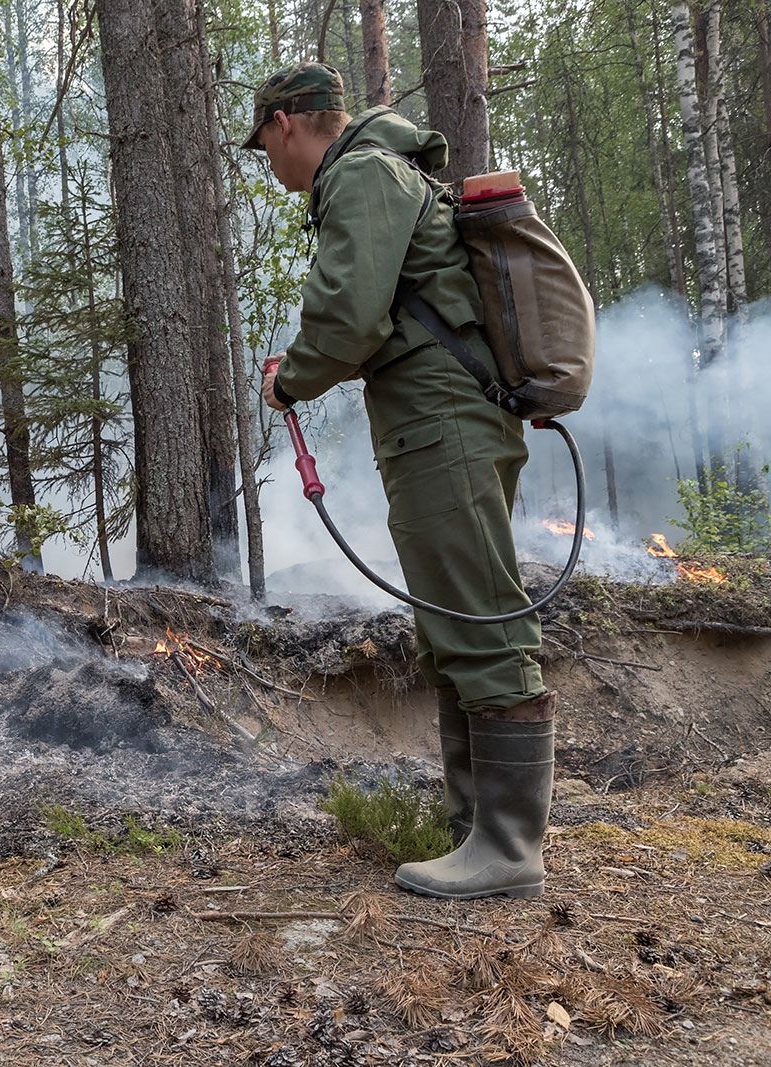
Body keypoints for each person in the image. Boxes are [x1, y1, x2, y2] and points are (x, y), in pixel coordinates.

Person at [246, 64, 556, 900]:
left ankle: (507, 845)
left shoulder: (363, 175)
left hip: (443, 425)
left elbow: (349, 315)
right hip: (438, 424)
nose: (269, 164)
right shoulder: (387, 172)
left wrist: (293, 380)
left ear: (286, 123)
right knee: (455, 616)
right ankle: (473, 827)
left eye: (265, 144)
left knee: (479, 615)